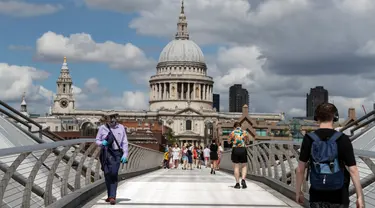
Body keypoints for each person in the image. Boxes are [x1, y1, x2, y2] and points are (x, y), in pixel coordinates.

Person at [296, 103, 364, 208]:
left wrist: (298, 192)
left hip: (316, 193)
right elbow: (353, 170)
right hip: (339, 194)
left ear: (316, 117)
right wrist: (360, 196)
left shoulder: (309, 139)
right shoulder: (343, 139)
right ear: (335, 117)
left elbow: (300, 169)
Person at [96, 113, 128, 205]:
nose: (111, 120)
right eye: (109, 119)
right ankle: (110, 195)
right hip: (105, 153)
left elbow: (124, 142)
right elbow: (97, 140)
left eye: (113, 118)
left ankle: (113, 196)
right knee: (107, 174)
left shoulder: (121, 127)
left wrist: (125, 154)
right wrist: (103, 143)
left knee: (114, 173)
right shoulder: (102, 128)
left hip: (116, 153)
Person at [228, 122, 249, 189]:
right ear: (240, 126)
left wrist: (232, 140)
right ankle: (243, 179)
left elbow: (228, 142)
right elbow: (247, 141)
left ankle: (237, 184)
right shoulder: (244, 132)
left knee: (236, 167)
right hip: (243, 149)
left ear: (234, 127)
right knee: (244, 165)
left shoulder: (232, 133)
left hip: (235, 150)